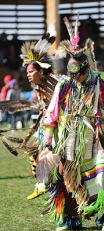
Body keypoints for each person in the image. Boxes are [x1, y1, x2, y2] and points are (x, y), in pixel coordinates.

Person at [42, 14, 104, 231]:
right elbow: (51, 115)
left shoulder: (102, 79)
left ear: (86, 68)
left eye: (80, 74)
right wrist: (47, 143)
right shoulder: (63, 86)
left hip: (99, 136)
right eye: (73, 75)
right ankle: (71, 217)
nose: (77, 79)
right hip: (70, 138)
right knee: (67, 176)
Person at [19, 33, 59, 199]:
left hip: (56, 126)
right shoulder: (41, 84)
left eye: (31, 71)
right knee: (35, 152)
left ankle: (45, 185)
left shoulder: (51, 81)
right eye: (27, 71)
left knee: (46, 154)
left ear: (41, 71)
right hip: (47, 125)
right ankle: (42, 184)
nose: (28, 75)